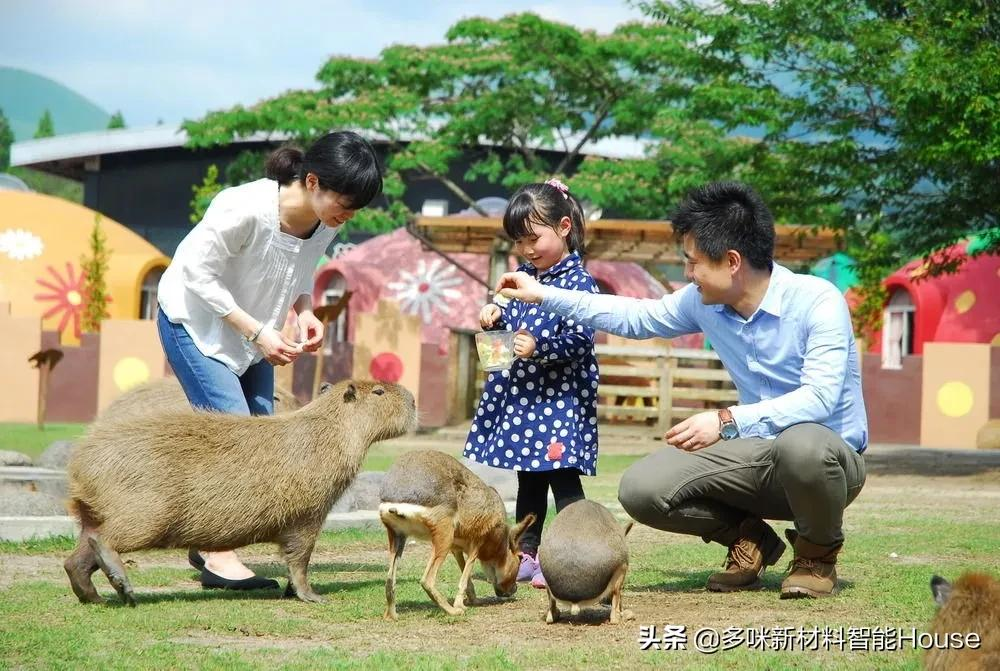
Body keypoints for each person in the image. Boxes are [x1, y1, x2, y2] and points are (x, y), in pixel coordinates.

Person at [495, 181, 867, 599]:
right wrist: (543, 294)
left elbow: (819, 398)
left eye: (692, 263)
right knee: (643, 488)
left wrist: (725, 420)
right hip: (758, 452)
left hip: (827, 463)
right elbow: (636, 317)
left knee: (803, 445)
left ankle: (816, 555)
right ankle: (749, 540)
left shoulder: (818, 301)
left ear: (731, 261)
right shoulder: (702, 301)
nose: (688, 275)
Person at [156, 130, 382, 590]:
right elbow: (196, 274)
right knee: (236, 437)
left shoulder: (326, 221)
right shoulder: (243, 208)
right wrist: (259, 332)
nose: (350, 214)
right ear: (313, 181)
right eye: (346, 200)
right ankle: (217, 555)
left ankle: (210, 540)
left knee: (265, 433)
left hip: (254, 331)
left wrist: (305, 313)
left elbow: (301, 271)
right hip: (193, 322)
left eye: (358, 205)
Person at [464, 179, 600, 589]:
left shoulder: (579, 284)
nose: (527, 249)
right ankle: (527, 553)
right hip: (525, 399)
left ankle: (578, 554)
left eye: (534, 238)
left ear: (563, 226)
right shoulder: (521, 278)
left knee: (563, 478)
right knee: (530, 479)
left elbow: (580, 341)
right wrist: (494, 317)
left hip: (559, 401)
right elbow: (506, 331)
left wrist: (540, 347)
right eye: (520, 241)